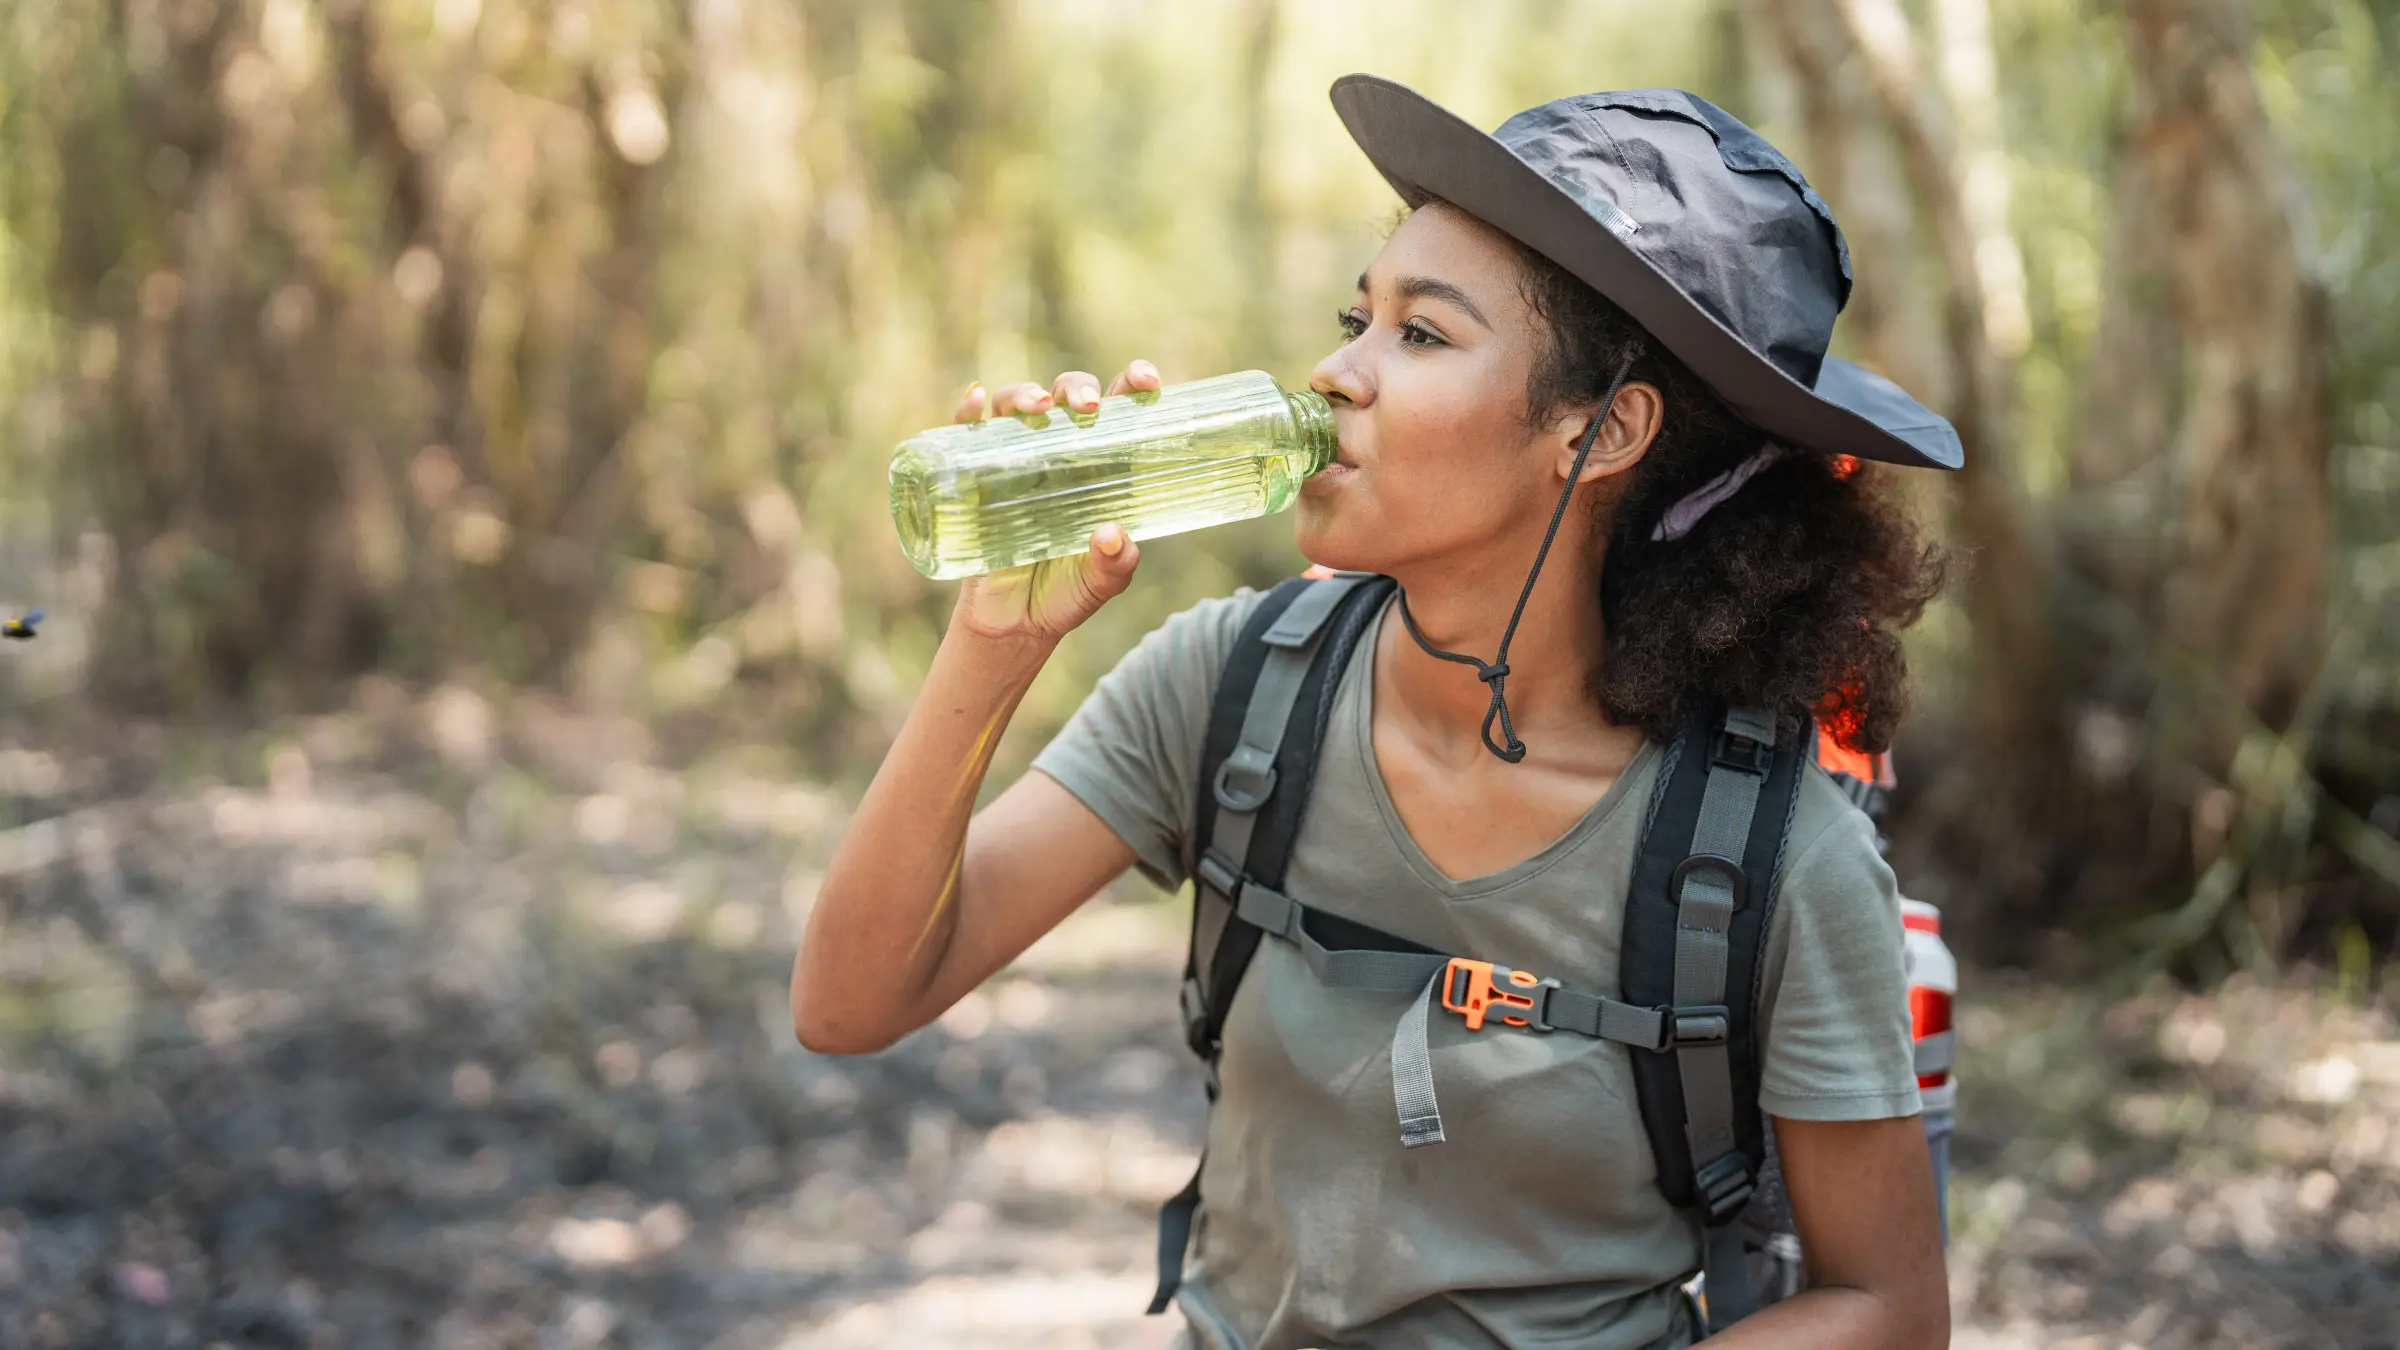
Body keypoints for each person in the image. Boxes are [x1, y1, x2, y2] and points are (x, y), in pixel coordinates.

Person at [792, 75, 1953, 1350]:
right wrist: (993, 643)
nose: (1335, 373)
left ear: (1601, 430)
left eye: (1421, 335)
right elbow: (849, 1003)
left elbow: (1888, 1308)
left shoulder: (1771, 854)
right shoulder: (1234, 689)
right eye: (1359, 316)